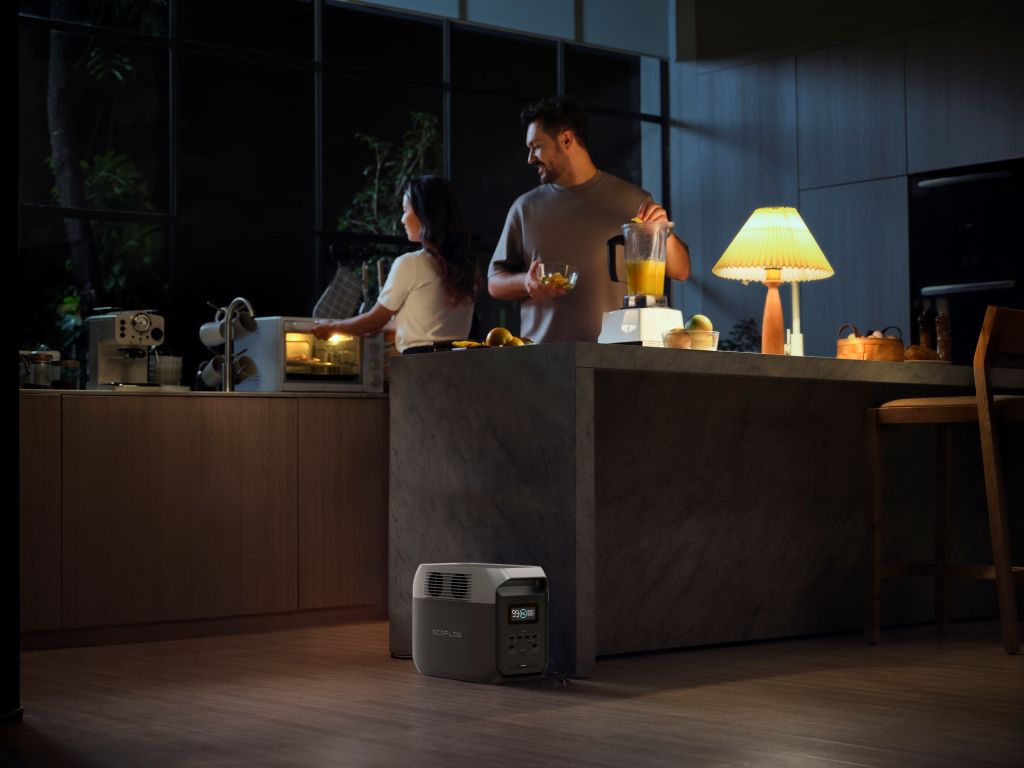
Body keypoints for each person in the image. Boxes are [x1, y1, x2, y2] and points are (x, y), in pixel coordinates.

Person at [487, 97, 690, 343]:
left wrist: (663, 231)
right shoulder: (524, 208)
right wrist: (527, 283)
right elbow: (494, 283)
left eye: (536, 146)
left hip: (616, 359)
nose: (530, 158)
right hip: (542, 364)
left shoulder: (633, 200)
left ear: (566, 139)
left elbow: (681, 270)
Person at [313, 175, 478, 353]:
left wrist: (333, 327)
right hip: (458, 363)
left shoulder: (411, 263)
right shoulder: (468, 265)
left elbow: (375, 319)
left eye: (405, 210)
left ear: (424, 215)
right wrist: (383, 327)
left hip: (418, 366)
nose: (402, 219)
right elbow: (429, 325)